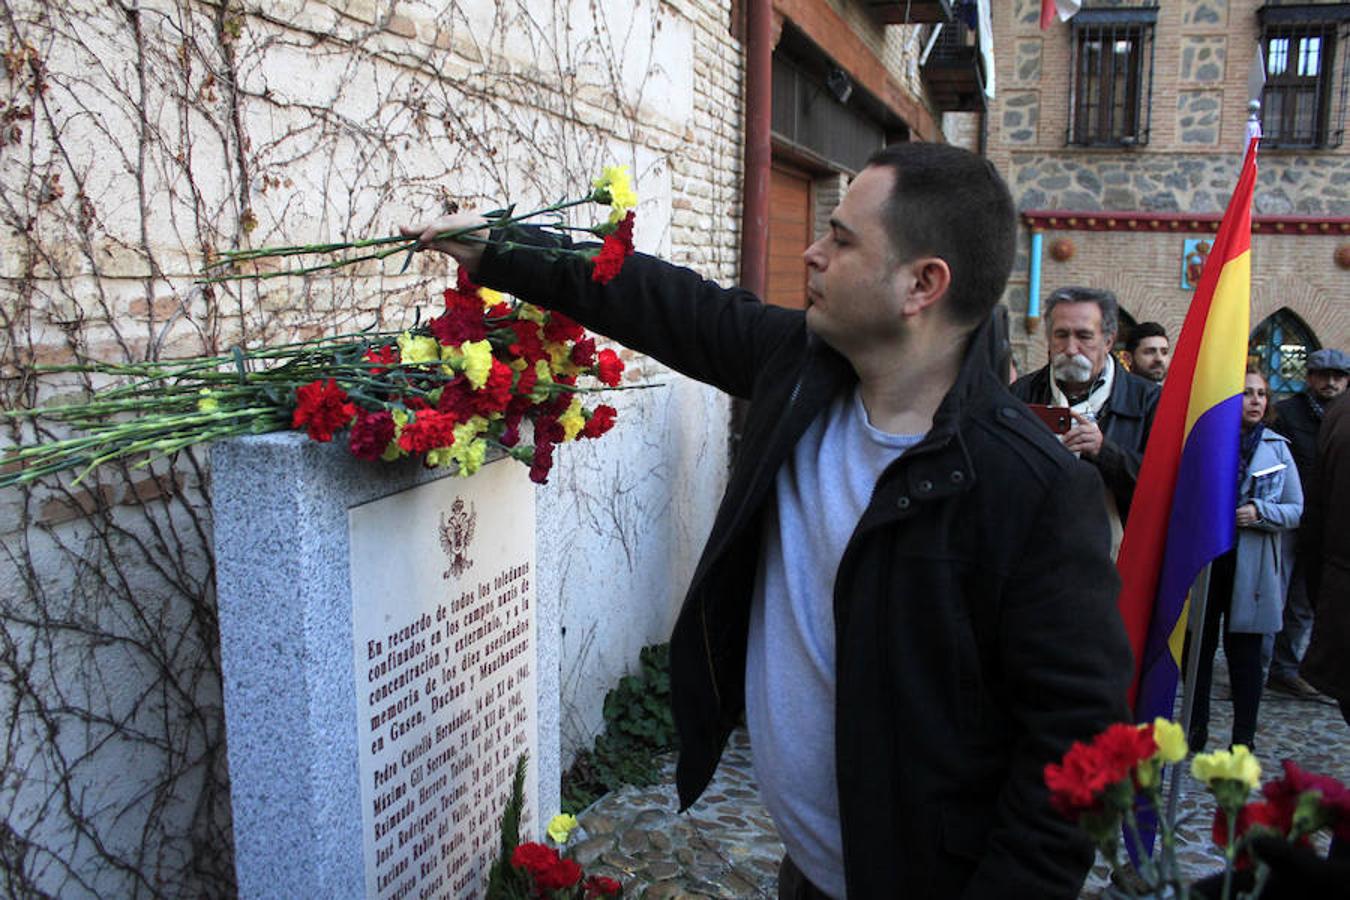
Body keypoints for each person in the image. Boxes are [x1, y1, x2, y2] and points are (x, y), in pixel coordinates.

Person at [406, 143, 1132, 899]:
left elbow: (1074, 747)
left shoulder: (1032, 489)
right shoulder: (801, 370)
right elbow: (663, 301)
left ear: (923, 284)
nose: (814, 253)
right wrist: (501, 245)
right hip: (808, 873)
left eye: (844, 239)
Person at [1184, 368, 1302, 753]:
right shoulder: (1211, 441)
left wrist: (1260, 511)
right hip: (1210, 559)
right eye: (1247, 393)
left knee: (1246, 656)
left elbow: (1296, 509)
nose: (1255, 400)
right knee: (1198, 649)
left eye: (1262, 394)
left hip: (1251, 565)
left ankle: (1243, 739)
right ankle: (1194, 727)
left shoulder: (1277, 448)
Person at [1010, 287, 1160, 551]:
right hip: (1034, 556)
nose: (1070, 349)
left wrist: (1104, 450)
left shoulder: (1148, 401)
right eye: (1061, 335)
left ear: (1109, 341)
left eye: (1084, 336)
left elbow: (1161, 488)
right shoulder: (1020, 394)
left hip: (1115, 561)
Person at [1268, 347, 1350, 699]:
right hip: (1290, 516)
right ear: (1309, 378)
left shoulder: (1338, 414)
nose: (1330, 383)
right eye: (1323, 375)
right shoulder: (1287, 414)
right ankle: (1274, 664)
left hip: (1323, 522)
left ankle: (1288, 666)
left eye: (1338, 376)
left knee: (1302, 600)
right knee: (1278, 594)